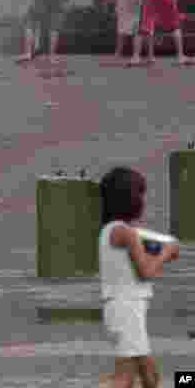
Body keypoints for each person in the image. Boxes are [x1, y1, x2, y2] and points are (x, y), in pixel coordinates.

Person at [98, 166, 179, 388]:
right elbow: (147, 272)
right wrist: (165, 253)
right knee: (124, 379)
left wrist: (162, 249)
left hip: (124, 308)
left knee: (149, 377)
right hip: (127, 309)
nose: (144, 200)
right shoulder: (126, 233)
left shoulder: (110, 230)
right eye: (141, 194)